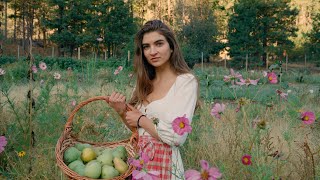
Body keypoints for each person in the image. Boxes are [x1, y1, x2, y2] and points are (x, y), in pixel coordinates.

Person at [108, 20, 198, 180]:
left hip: (166, 167)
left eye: (159, 43)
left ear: (171, 47)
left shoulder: (185, 82)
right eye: (146, 47)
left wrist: (141, 119)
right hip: (140, 165)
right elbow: (139, 131)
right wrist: (122, 111)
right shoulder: (144, 82)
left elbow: (176, 137)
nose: (152, 51)